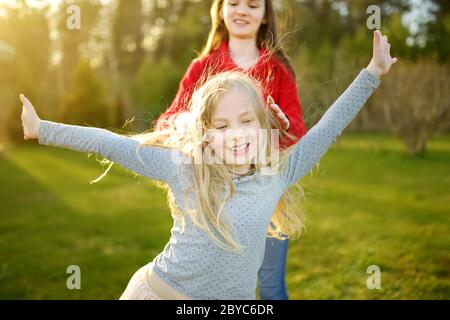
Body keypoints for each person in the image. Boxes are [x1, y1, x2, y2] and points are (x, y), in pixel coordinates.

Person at [19, 30, 396, 300]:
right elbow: (112, 144)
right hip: (160, 293)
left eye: (246, 121)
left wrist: (372, 74)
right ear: (206, 134)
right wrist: (42, 129)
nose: (236, 134)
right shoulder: (187, 167)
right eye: (222, 125)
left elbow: (327, 129)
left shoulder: (276, 174)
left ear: (263, 123)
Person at [156, 0, 307, 300]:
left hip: (265, 194)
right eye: (233, 2)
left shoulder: (278, 70)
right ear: (220, 11)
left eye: (252, 4)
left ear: (265, 16)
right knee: (213, 286)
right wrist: (188, 122)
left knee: (271, 284)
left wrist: (282, 128)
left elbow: (298, 133)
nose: (242, 10)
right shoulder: (202, 67)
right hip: (212, 196)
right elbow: (166, 123)